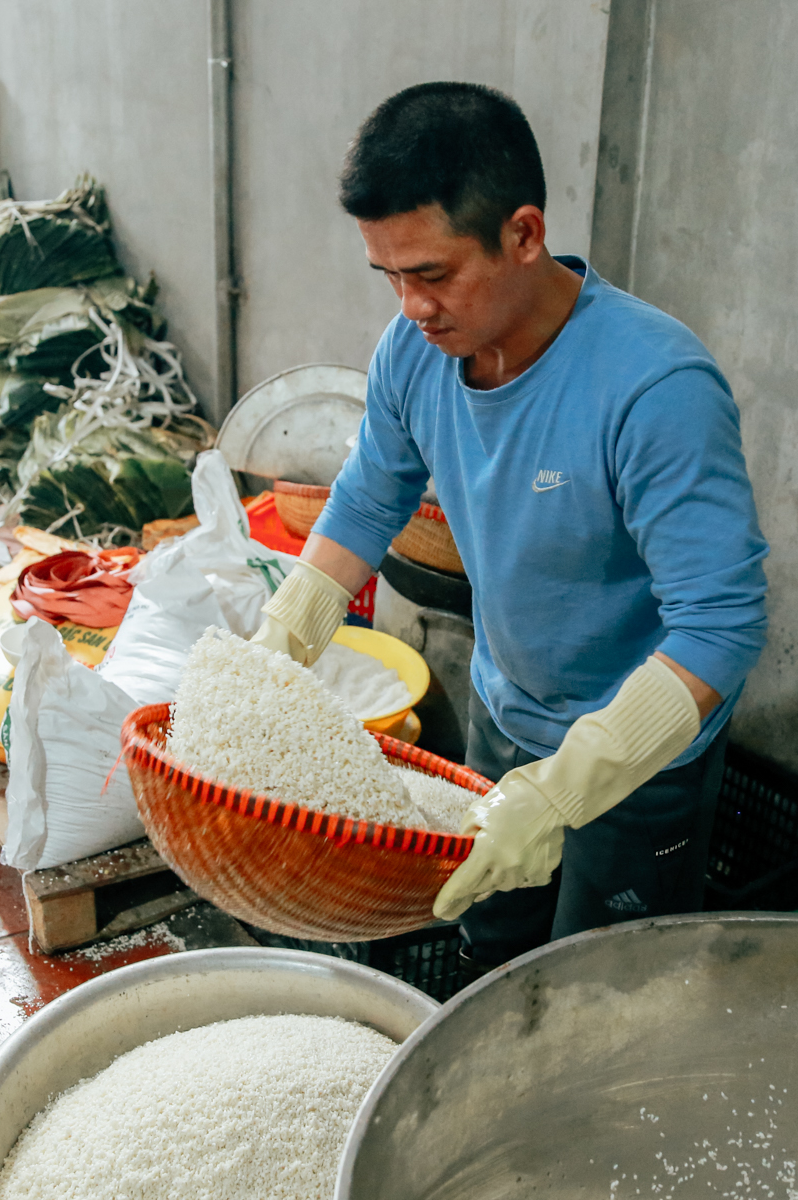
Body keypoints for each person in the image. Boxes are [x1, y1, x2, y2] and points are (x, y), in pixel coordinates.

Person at [250, 83, 769, 969]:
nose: (411, 306)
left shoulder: (655, 389)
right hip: (506, 711)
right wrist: (284, 635)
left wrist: (563, 794)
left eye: (432, 274)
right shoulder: (415, 353)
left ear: (524, 234)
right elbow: (370, 497)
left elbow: (721, 626)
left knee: (601, 987)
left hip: (637, 754)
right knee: (490, 947)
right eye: (389, 276)